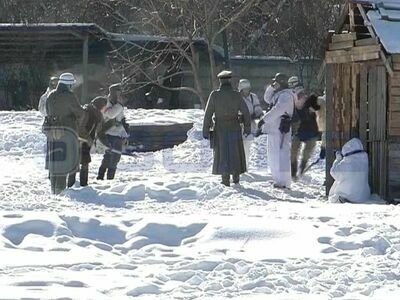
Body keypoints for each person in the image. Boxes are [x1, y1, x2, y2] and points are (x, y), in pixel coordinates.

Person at [203, 70, 251, 186]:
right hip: (234, 126)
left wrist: (206, 130)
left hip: (220, 128)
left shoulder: (214, 95)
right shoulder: (236, 95)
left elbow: (208, 113)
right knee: (235, 151)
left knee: (222, 152)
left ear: (220, 81)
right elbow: (246, 112)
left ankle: (225, 179)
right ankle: (236, 177)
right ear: (230, 80)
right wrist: (247, 127)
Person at [46, 72, 84, 194]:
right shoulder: (70, 96)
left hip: (52, 132)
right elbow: (80, 113)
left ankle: (53, 190)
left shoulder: (50, 95)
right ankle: (60, 192)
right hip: (67, 132)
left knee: (55, 161)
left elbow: (47, 111)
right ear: (69, 85)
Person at [259, 73, 295, 188]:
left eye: (277, 82)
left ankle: (284, 181)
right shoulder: (279, 94)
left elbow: (278, 110)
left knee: (282, 154)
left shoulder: (286, 96)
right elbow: (266, 98)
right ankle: (277, 179)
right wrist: (271, 88)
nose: (275, 84)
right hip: (274, 128)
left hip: (281, 128)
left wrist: (264, 119)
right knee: (273, 154)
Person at [68, 97, 107, 186]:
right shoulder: (88, 112)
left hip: (84, 141)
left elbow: (99, 130)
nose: (105, 108)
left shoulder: (96, 114)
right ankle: (76, 185)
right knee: (80, 163)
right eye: (104, 106)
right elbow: (80, 129)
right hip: (80, 141)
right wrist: (88, 139)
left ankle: (79, 184)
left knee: (82, 162)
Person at [97, 83, 129, 180]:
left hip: (118, 135)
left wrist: (125, 135)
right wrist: (119, 105)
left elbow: (122, 120)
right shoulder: (105, 103)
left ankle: (110, 180)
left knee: (115, 158)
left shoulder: (118, 104)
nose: (120, 95)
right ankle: (101, 178)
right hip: (109, 134)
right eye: (118, 92)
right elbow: (110, 114)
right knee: (109, 157)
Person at [329, 138, 371, 203]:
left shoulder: (347, 162)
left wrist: (337, 160)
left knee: (337, 182)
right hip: (363, 197)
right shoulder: (364, 160)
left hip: (348, 197)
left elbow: (333, 172)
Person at [291, 91, 321, 178]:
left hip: (311, 133)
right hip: (299, 132)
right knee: (293, 152)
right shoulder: (296, 109)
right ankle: (293, 171)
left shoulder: (312, 107)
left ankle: (301, 168)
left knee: (306, 154)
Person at [238, 79, 263, 167]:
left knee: (247, 147)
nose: (247, 91)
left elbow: (258, 109)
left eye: (248, 89)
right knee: (238, 147)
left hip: (250, 124)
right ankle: (238, 166)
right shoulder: (236, 97)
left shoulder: (253, 97)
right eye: (245, 89)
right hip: (238, 125)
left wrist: (260, 116)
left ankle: (245, 166)